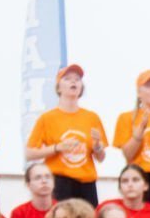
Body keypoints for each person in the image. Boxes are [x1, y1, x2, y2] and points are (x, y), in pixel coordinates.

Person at [25, 64, 106, 205]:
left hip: (86, 183)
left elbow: (101, 158)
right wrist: (57, 148)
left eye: (77, 79)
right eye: (67, 79)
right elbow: (29, 153)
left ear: (81, 87)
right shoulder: (47, 118)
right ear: (58, 87)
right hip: (59, 181)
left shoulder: (92, 117)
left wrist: (98, 146)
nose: (73, 81)